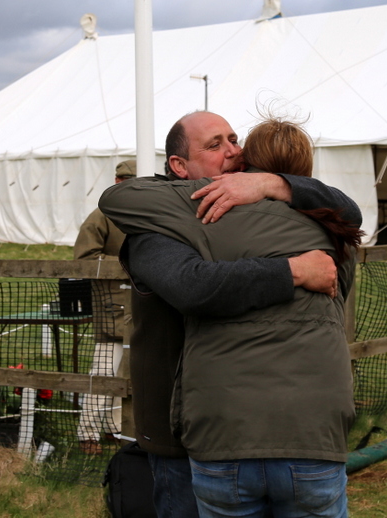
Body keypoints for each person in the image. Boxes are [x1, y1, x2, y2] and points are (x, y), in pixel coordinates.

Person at [100, 113, 362, 517]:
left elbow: (349, 210)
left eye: (235, 139)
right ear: (179, 167)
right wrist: (293, 270)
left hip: (224, 420)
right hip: (178, 432)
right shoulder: (160, 225)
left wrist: (271, 182)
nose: (233, 151)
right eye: (215, 144)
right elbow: (194, 286)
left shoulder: (253, 205)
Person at [73, 160, 137, 454]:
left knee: (129, 375)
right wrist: (129, 267)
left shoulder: (148, 213)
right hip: (112, 310)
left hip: (141, 310)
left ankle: (116, 430)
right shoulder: (101, 216)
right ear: (117, 181)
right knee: (103, 375)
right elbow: (85, 258)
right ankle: (87, 434)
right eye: (130, 181)